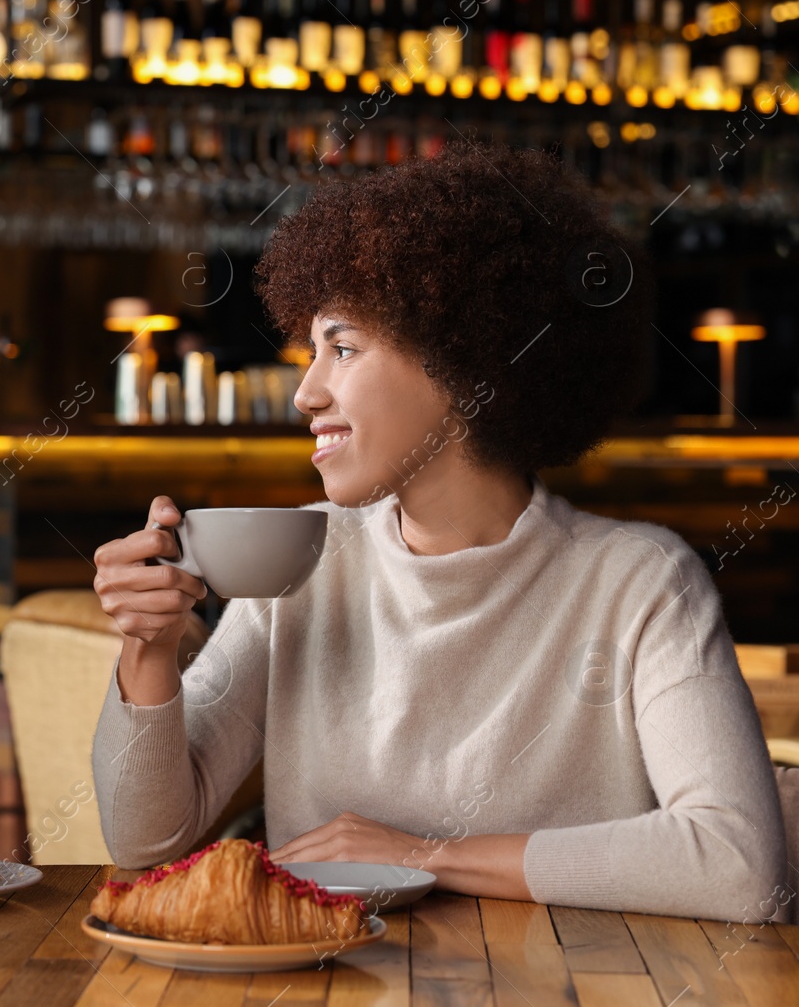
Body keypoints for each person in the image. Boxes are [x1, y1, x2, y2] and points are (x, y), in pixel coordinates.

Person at [90, 141, 788, 924]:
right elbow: (145, 841)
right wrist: (148, 649)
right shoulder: (307, 561)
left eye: (343, 348)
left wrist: (425, 854)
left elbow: (739, 865)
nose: (306, 392)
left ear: (464, 362)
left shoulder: (640, 583)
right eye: (309, 351)